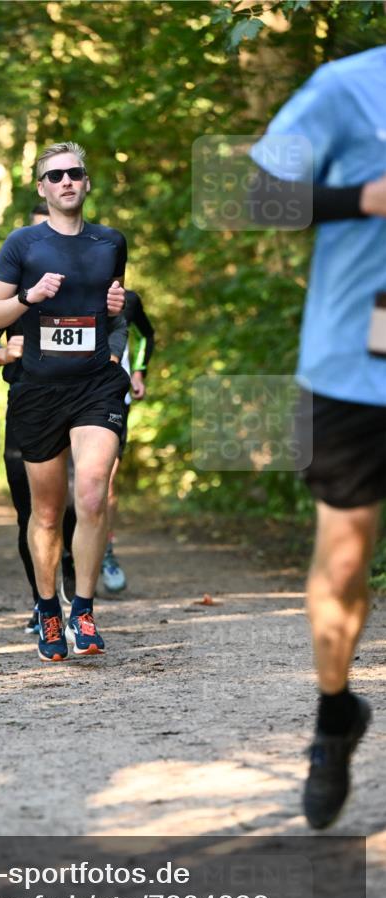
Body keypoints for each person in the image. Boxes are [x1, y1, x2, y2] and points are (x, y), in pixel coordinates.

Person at [249, 45, 386, 828]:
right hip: (351, 368)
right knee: (342, 562)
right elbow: (258, 195)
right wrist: (362, 197)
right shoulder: (345, 87)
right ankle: (334, 717)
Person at [0, 141, 130, 662]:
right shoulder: (22, 244)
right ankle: (48, 608)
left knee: (90, 495)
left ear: (87, 183)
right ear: (42, 189)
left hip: (95, 385)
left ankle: (83, 611)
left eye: (75, 173)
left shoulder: (111, 242)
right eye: (55, 176)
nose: (67, 181)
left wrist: (116, 310)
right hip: (39, 391)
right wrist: (28, 298)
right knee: (46, 512)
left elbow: (115, 314)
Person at [101, 288, 156, 593]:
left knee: (104, 482)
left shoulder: (128, 299)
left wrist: (138, 373)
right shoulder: (64, 290)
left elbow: (147, 335)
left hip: (114, 399)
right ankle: (69, 557)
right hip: (67, 397)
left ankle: (105, 552)